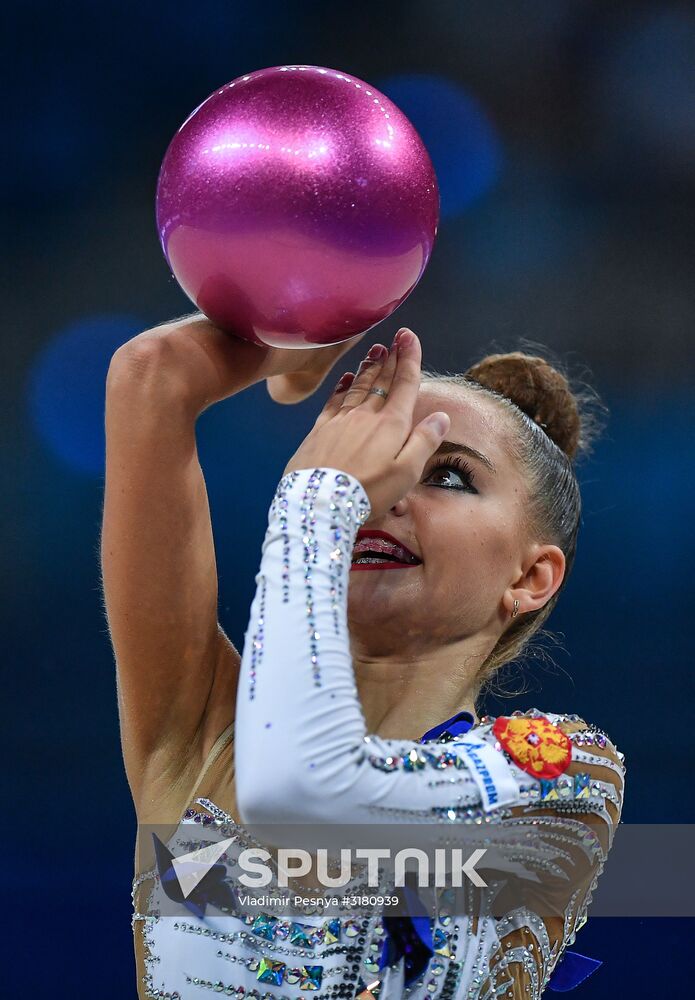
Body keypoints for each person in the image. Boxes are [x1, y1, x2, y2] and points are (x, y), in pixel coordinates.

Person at [102, 316, 624, 1000]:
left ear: (529, 578)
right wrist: (305, 325)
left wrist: (318, 498)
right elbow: (154, 373)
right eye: (376, 464)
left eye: (448, 476)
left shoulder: (559, 777)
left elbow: (304, 793)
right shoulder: (203, 736)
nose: (382, 496)